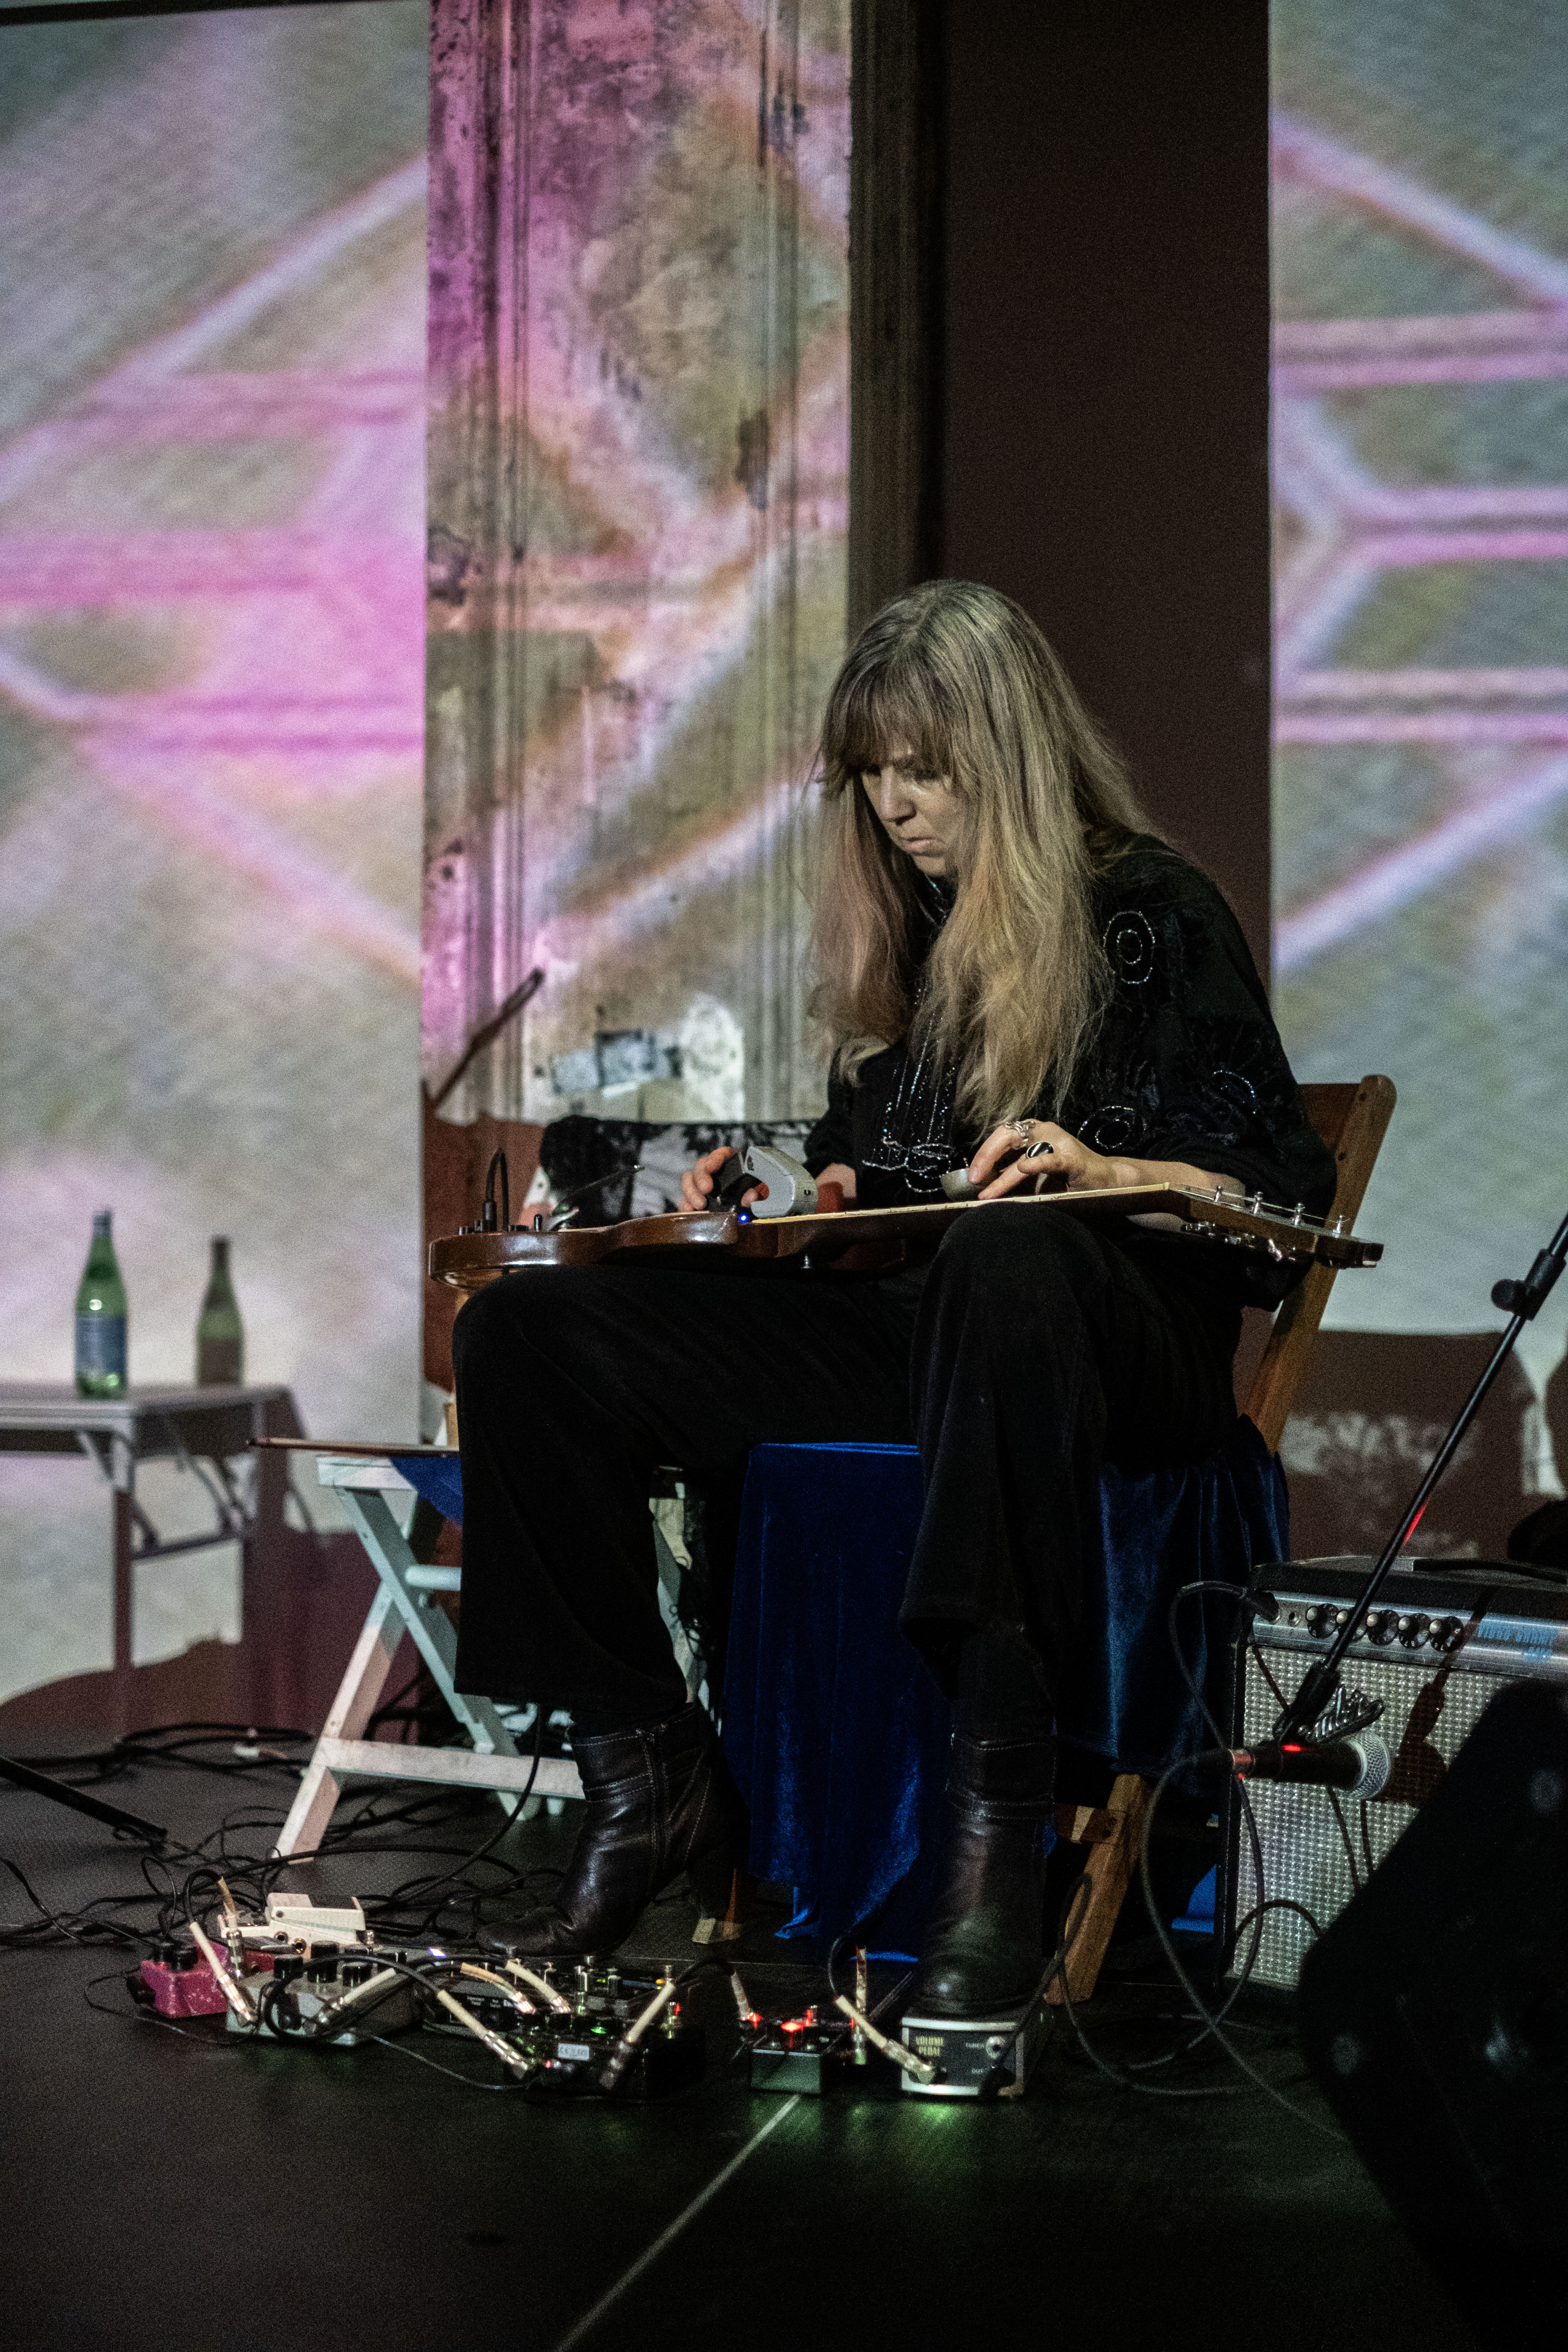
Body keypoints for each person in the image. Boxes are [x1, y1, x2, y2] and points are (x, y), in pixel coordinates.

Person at [452, 580, 1335, 2014]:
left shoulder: (1152, 914)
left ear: (1010, 755)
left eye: (925, 771)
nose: (899, 810)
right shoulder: (928, 941)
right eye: (874, 780)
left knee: (1012, 1248)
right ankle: (645, 1767)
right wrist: (828, 1211)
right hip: (942, 1338)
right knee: (532, 1333)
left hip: (1118, 1349)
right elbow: (900, 1187)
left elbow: (1284, 1207)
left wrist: (1101, 1164)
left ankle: (993, 1837)